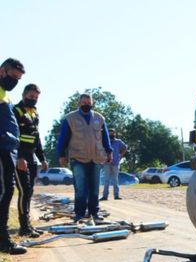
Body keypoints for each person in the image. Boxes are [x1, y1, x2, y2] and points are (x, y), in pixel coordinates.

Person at [57, 94, 113, 222]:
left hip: (96, 157)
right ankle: (79, 214)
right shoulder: (70, 118)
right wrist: (61, 154)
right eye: (84, 102)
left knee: (94, 189)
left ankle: (94, 213)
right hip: (78, 158)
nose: (86, 104)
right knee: (80, 188)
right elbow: (63, 138)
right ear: (79, 103)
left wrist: (109, 152)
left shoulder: (99, 118)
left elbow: (105, 138)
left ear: (92, 103)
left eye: (88, 102)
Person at [0, 58, 27, 255]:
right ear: (3, 71)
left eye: (18, 78)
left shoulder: (5, 96)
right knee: (3, 192)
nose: (15, 81)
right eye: (13, 76)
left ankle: (3, 239)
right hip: (1, 148)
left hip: (8, 148)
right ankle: (3, 240)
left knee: (7, 191)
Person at [14, 84, 48, 238]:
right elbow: (13, 136)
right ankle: (23, 227)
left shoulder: (34, 113)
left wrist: (43, 159)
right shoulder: (16, 111)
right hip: (19, 157)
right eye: (31, 96)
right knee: (24, 191)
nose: (33, 99)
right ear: (24, 95)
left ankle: (27, 225)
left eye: (36, 97)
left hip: (32, 157)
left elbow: (37, 138)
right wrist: (19, 157)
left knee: (30, 192)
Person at [100, 128, 127, 201]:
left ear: (115, 134)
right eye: (109, 133)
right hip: (106, 162)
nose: (111, 134)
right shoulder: (105, 141)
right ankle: (105, 196)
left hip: (115, 162)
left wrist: (120, 155)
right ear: (107, 134)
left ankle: (116, 196)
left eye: (112, 133)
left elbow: (125, 147)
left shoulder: (118, 141)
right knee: (106, 180)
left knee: (115, 180)